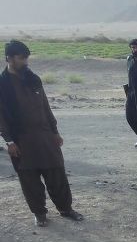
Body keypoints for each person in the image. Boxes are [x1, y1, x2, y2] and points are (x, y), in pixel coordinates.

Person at [0, 40, 83, 227]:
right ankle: (39, 213)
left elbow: (45, 107)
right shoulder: (3, 85)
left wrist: (55, 131)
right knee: (30, 180)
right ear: (9, 58)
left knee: (57, 173)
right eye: (21, 58)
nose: (25, 62)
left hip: (45, 136)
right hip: (21, 140)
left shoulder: (32, 78)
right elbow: (1, 117)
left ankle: (66, 209)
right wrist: (9, 141)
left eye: (26, 58)